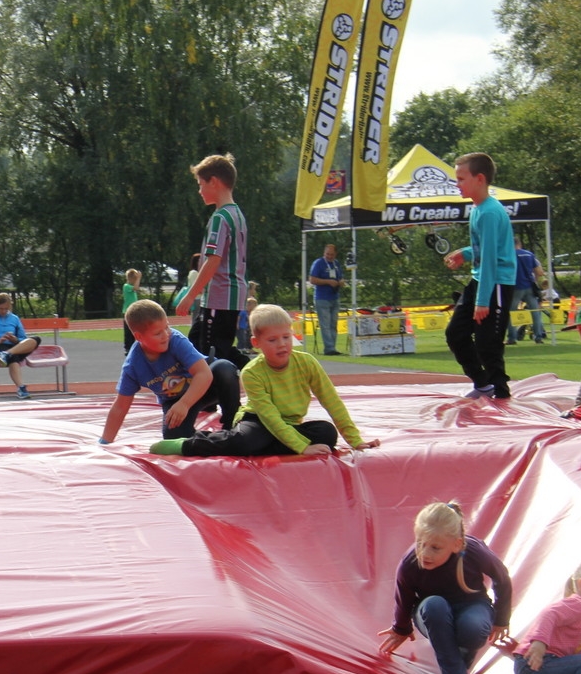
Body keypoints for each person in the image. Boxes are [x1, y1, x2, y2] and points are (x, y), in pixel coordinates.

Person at [150, 304, 378, 458]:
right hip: (258, 421)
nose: (282, 344)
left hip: (289, 424)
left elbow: (331, 400)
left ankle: (269, 445)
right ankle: (187, 444)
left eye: (287, 337)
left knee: (327, 434)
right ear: (256, 342)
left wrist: (355, 440)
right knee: (247, 441)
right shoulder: (252, 373)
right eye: (272, 339)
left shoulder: (306, 362)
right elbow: (268, 416)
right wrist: (302, 447)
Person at [376, 501, 512, 674]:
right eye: (421, 543)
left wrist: (501, 619)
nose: (425, 553)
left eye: (435, 548)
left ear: (456, 544)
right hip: (432, 613)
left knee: (472, 627)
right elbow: (403, 597)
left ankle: (459, 662)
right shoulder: (410, 563)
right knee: (434, 606)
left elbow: (502, 578)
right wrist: (401, 628)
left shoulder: (473, 552)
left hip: (472, 605)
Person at [100, 299, 239, 444]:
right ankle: (206, 440)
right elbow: (120, 407)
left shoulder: (175, 340)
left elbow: (203, 374)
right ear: (139, 337)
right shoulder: (133, 366)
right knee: (174, 436)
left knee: (225, 369)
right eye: (158, 333)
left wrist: (185, 403)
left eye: (167, 327)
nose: (166, 335)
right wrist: (105, 441)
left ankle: (233, 425)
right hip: (175, 399)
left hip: (206, 385)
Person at [443, 152, 516, 399]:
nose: (457, 184)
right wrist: (465, 253)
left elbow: (491, 261)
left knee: (488, 343)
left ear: (480, 179)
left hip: (495, 283)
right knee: (456, 333)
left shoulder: (489, 212)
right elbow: (484, 249)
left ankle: (501, 392)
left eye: (461, 179)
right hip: (479, 280)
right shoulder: (477, 209)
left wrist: (483, 301)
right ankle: (483, 383)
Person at [174, 154, 248, 366]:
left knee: (210, 354)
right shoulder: (237, 215)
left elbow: (213, 261)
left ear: (213, 182)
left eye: (201, 184)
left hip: (219, 296)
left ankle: (264, 375)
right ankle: (261, 373)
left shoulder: (220, 217)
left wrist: (190, 295)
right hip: (231, 296)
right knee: (201, 345)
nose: (199, 191)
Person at [0, 293, 42, 399]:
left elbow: (23, 338)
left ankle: (6, 354)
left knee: (36, 339)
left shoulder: (14, 318)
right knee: (13, 358)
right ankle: (21, 388)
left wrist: (15, 340)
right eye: (1, 309)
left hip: (13, 347)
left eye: (6, 309)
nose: (3, 311)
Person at [506, 236, 549, 344]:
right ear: (519, 243)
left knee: (511, 312)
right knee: (535, 312)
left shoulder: (509, 255)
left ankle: (512, 337)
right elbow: (539, 272)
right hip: (529, 286)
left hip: (515, 287)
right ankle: (538, 336)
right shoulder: (529, 254)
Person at [308, 243, 345, 355]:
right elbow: (312, 280)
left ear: (335, 254)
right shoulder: (318, 263)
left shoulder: (336, 263)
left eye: (332, 254)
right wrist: (328, 282)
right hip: (322, 297)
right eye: (327, 254)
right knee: (325, 323)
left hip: (334, 296)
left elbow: (341, 277)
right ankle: (329, 348)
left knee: (333, 323)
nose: (329, 256)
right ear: (324, 253)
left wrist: (341, 282)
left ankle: (332, 346)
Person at [121, 268, 142, 354]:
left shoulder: (131, 287)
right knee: (128, 330)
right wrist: (139, 278)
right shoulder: (126, 286)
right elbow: (136, 288)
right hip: (128, 311)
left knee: (136, 329)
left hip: (134, 311)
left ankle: (135, 346)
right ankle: (128, 347)